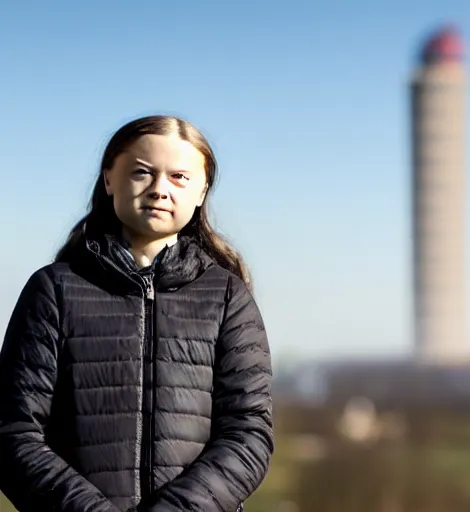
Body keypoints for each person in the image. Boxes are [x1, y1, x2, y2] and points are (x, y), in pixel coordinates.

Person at [0, 115, 274, 512]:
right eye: (142, 172)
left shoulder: (228, 296)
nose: (160, 189)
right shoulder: (54, 291)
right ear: (109, 179)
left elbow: (249, 432)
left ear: (201, 192)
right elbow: (14, 431)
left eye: (179, 177)